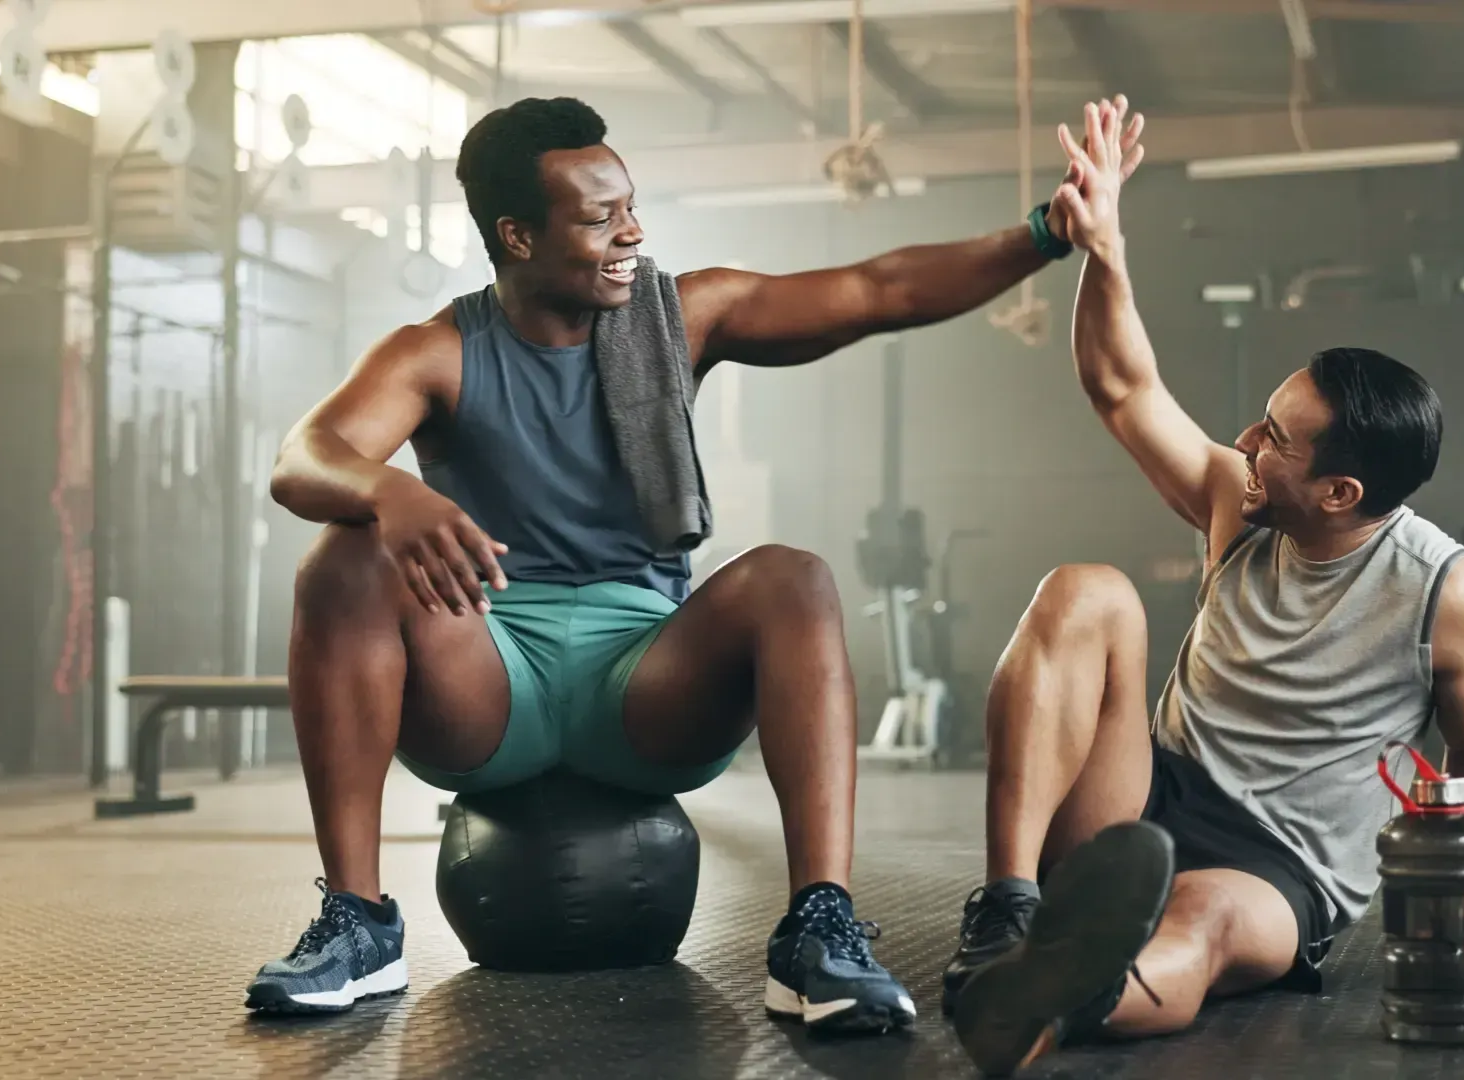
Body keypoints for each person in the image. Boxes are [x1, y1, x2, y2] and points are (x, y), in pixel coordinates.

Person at [248, 95, 1141, 1031]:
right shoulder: (438, 353)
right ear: (517, 236)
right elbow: (303, 458)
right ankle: (359, 926)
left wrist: (1045, 234)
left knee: (793, 577)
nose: (632, 232)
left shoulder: (681, 315)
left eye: (631, 206)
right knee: (343, 557)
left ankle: (819, 933)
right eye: (600, 218)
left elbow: (878, 289)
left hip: (647, 681)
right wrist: (389, 492)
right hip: (488, 679)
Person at [943, 98, 1464, 1076]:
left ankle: (1056, 1002)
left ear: (1339, 492)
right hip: (1146, 799)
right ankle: (1008, 914)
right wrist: (1104, 248)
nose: (1244, 440)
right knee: (1088, 590)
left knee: (1200, 919)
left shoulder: (1455, 594)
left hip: (1278, 866)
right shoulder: (1236, 500)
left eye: (1274, 438)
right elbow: (1122, 387)